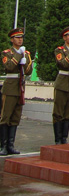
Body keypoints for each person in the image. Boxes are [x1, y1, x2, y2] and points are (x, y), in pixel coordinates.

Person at [0, 27, 33, 156]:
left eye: (21, 38)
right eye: (18, 38)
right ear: (12, 39)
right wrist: (19, 55)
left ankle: (11, 145)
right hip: (10, 87)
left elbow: (29, 71)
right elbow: (8, 66)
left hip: (20, 87)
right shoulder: (7, 53)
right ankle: (3, 145)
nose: (20, 40)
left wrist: (24, 61)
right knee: (5, 116)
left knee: (15, 117)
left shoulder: (26, 54)